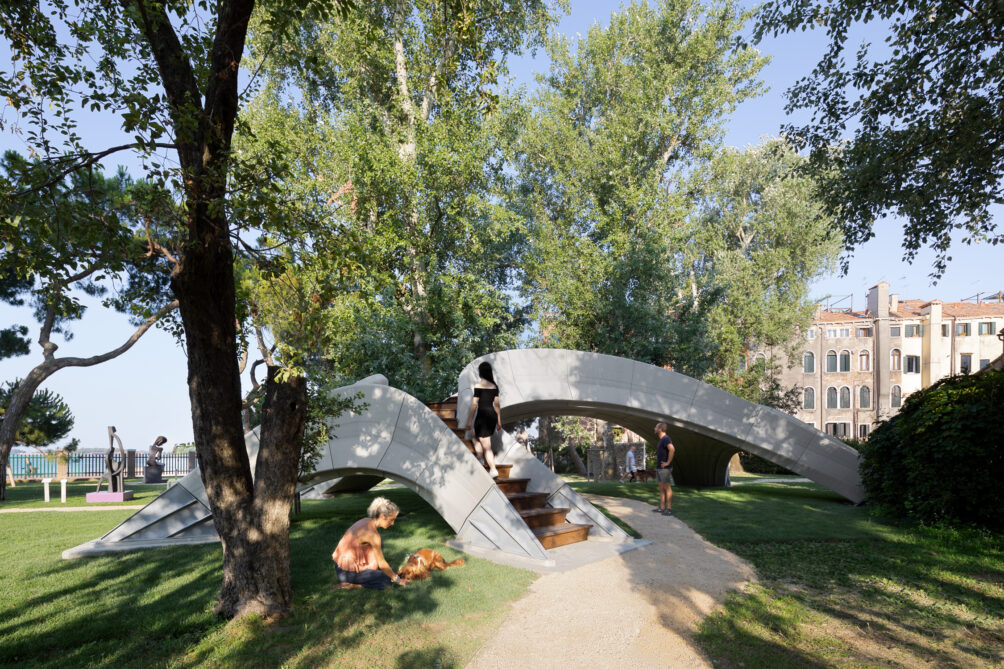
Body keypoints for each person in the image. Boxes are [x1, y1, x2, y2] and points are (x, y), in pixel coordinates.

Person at [332, 496, 407, 590]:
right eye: (391, 519)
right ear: (383, 516)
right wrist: (397, 579)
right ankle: (351, 585)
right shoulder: (373, 535)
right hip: (347, 573)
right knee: (386, 580)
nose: (393, 523)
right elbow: (382, 563)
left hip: (339, 568)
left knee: (380, 542)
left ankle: (369, 573)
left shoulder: (365, 520)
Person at [462, 361, 502, 478]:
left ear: (480, 373)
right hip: (492, 415)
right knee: (475, 436)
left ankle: (493, 469)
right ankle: (479, 458)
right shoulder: (494, 387)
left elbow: (474, 405)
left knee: (487, 446)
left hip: (483, 415)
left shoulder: (478, 386)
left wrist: (469, 421)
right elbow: (497, 405)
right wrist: (499, 421)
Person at [652, 423, 675, 516]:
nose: (654, 428)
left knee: (667, 488)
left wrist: (668, 462)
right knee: (661, 488)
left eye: (656, 427)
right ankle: (662, 508)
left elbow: (672, 449)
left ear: (660, 429)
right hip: (660, 467)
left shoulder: (666, 438)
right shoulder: (661, 440)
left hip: (665, 468)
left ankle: (669, 509)